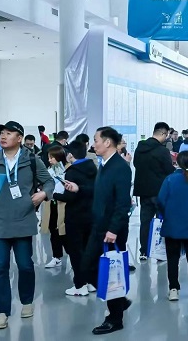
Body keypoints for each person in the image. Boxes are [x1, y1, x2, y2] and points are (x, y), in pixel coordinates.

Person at [0, 121, 54, 330]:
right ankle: (2, 311)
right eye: (2, 133)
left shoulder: (31, 160)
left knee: (25, 265)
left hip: (23, 221)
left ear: (19, 138)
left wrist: (43, 193)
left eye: (8, 133)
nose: (3, 136)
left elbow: (49, 181)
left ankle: (27, 301)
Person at [79, 127, 132, 335]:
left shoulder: (120, 167)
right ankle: (119, 301)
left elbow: (122, 203)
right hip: (99, 227)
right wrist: (79, 189)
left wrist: (113, 229)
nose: (93, 145)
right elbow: (101, 192)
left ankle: (115, 318)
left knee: (110, 274)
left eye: (96, 140)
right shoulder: (104, 164)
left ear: (107, 142)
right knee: (87, 268)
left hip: (111, 231)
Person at [157, 151, 188, 301]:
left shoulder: (170, 180)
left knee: (172, 259)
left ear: (177, 162)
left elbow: (160, 200)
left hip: (172, 225)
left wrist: (166, 215)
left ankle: (173, 289)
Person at [54, 141, 97, 296]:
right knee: (88, 250)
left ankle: (80, 285)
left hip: (75, 216)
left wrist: (54, 194)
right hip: (91, 215)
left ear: (70, 155)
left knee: (76, 251)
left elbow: (70, 197)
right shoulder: (93, 168)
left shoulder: (71, 172)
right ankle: (91, 282)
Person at [133, 123, 175, 261]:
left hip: (144, 191)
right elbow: (168, 170)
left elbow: (136, 164)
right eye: (166, 135)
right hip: (159, 191)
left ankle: (143, 251)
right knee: (160, 221)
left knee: (145, 222)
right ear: (163, 134)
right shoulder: (162, 151)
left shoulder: (140, 147)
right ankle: (159, 252)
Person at [42, 145, 69, 269]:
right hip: (52, 204)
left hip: (64, 204)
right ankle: (56, 257)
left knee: (64, 232)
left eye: (52, 157)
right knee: (53, 230)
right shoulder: (50, 170)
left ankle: (73, 255)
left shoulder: (68, 169)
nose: (50, 160)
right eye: (48, 157)